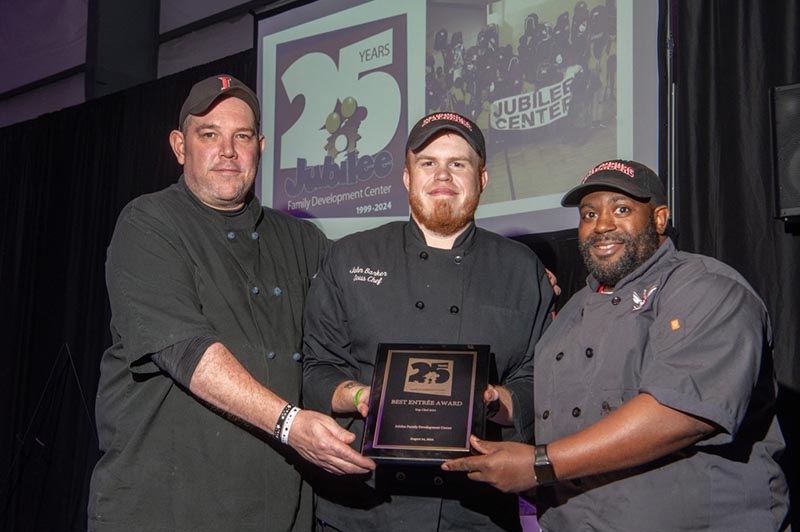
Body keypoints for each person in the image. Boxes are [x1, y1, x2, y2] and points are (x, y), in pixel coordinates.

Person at [88, 74, 374, 532]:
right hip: (165, 508)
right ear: (180, 146)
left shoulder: (302, 240)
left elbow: (347, 338)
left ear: (260, 146)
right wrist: (290, 424)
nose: (228, 150)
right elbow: (186, 351)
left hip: (279, 510)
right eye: (209, 135)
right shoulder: (149, 223)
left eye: (241, 136)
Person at [442, 160, 791, 531]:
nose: (602, 225)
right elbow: (559, 407)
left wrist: (539, 465)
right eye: (589, 214)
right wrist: (499, 404)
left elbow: (678, 415)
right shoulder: (573, 308)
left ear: (659, 219)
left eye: (621, 210)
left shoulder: (706, 287)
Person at [302, 111, 555, 531]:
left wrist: (498, 401)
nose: (443, 175)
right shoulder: (351, 257)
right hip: (364, 508)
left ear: (482, 178)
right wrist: (363, 396)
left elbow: (538, 377)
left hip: (475, 512)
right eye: (428, 163)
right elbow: (316, 370)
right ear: (406, 177)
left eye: (458, 163)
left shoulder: (521, 269)